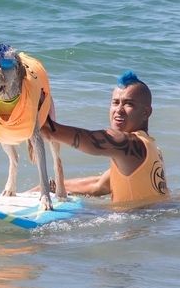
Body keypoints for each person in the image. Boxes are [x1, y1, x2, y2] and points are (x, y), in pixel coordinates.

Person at [40, 71, 169, 207]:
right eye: (115, 102)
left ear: (146, 112)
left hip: (133, 226)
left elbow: (91, 141)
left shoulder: (131, 144)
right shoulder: (152, 149)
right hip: (150, 224)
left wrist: (49, 129)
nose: (119, 110)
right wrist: (49, 186)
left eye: (128, 104)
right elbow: (98, 185)